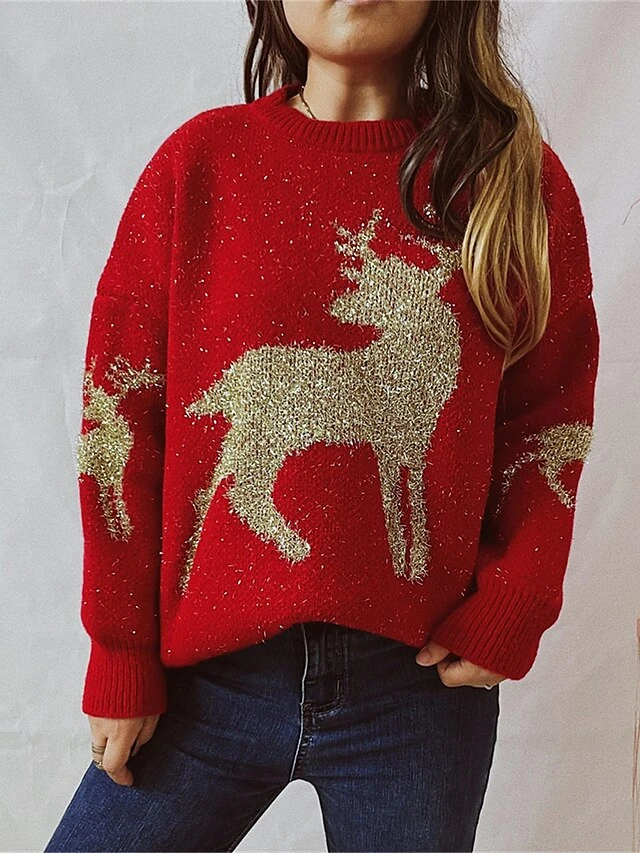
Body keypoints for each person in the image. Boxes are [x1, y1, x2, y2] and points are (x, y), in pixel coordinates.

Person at [44, 0, 600, 850]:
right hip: (205, 682)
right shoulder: (201, 166)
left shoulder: (511, 183)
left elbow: (548, 412)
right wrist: (120, 648)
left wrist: (516, 600)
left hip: (417, 695)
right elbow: (121, 414)